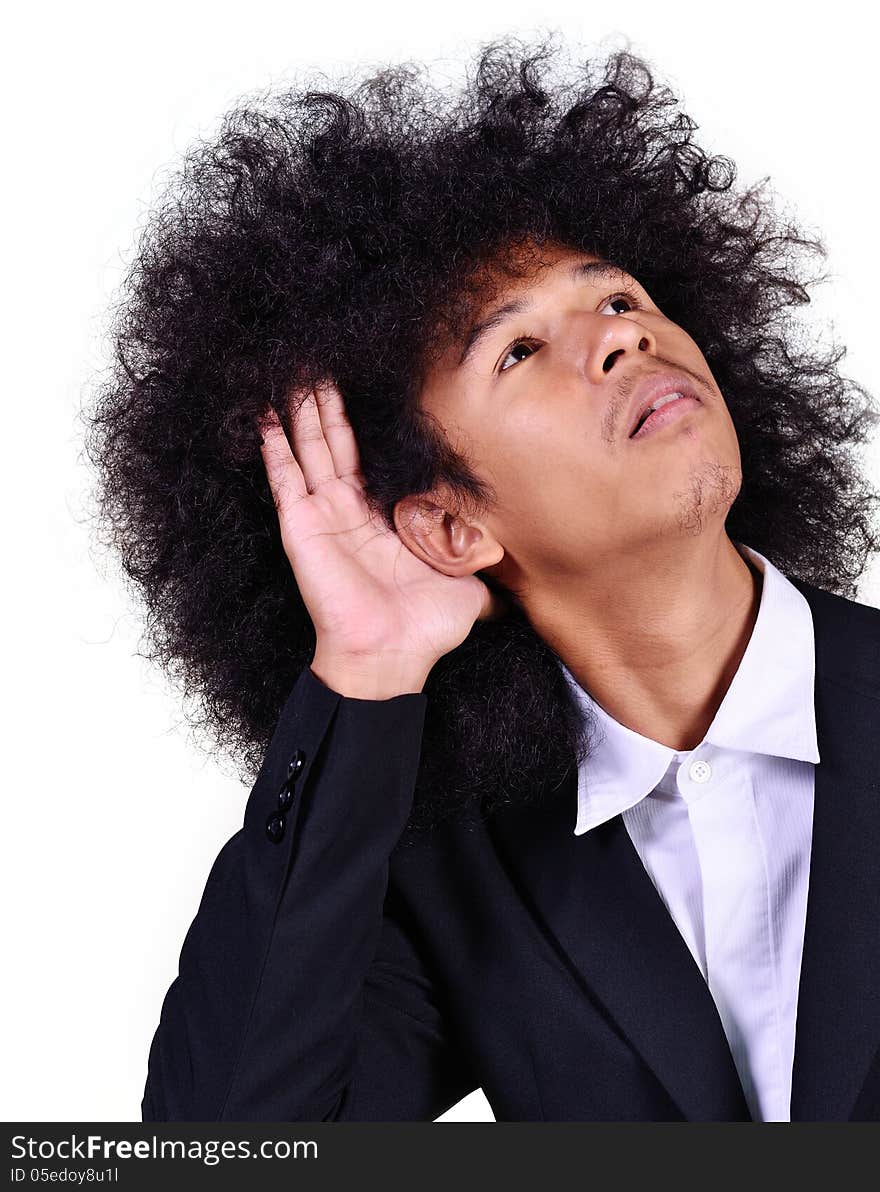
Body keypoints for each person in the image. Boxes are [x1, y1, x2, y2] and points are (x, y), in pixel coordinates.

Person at [81, 35, 880, 1121]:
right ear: (450, 526)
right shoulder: (454, 873)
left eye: (616, 299)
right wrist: (363, 669)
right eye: (516, 350)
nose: (621, 338)